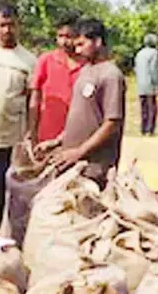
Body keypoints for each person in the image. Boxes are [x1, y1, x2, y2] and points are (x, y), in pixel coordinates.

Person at [0, 4, 36, 235]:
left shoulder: (28, 60)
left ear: (18, 26)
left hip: (9, 135)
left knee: (0, 187)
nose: (7, 30)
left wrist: (30, 131)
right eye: (2, 25)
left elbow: (31, 99)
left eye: (11, 25)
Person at [49, 17, 126, 188]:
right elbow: (82, 114)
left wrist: (79, 152)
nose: (77, 49)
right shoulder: (85, 71)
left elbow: (111, 123)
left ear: (97, 42)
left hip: (93, 166)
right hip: (71, 163)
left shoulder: (111, 75)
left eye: (81, 44)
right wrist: (58, 141)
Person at [28, 13, 84, 145]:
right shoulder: (46, 61)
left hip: (77, 137)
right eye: (60, 36)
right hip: (46, 135)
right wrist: (32, 132)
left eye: (68, 36)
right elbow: (35, 99)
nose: (64, 41)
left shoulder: (87, 66)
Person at [134, 33, 158, 135]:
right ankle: (150, 129)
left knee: (143, 107)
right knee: (152, 107)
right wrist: (156, 85)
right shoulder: (154, 53)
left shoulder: (139, 53)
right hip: (150, 84)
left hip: (140, 84)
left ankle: (143, 128)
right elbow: (153, 70)